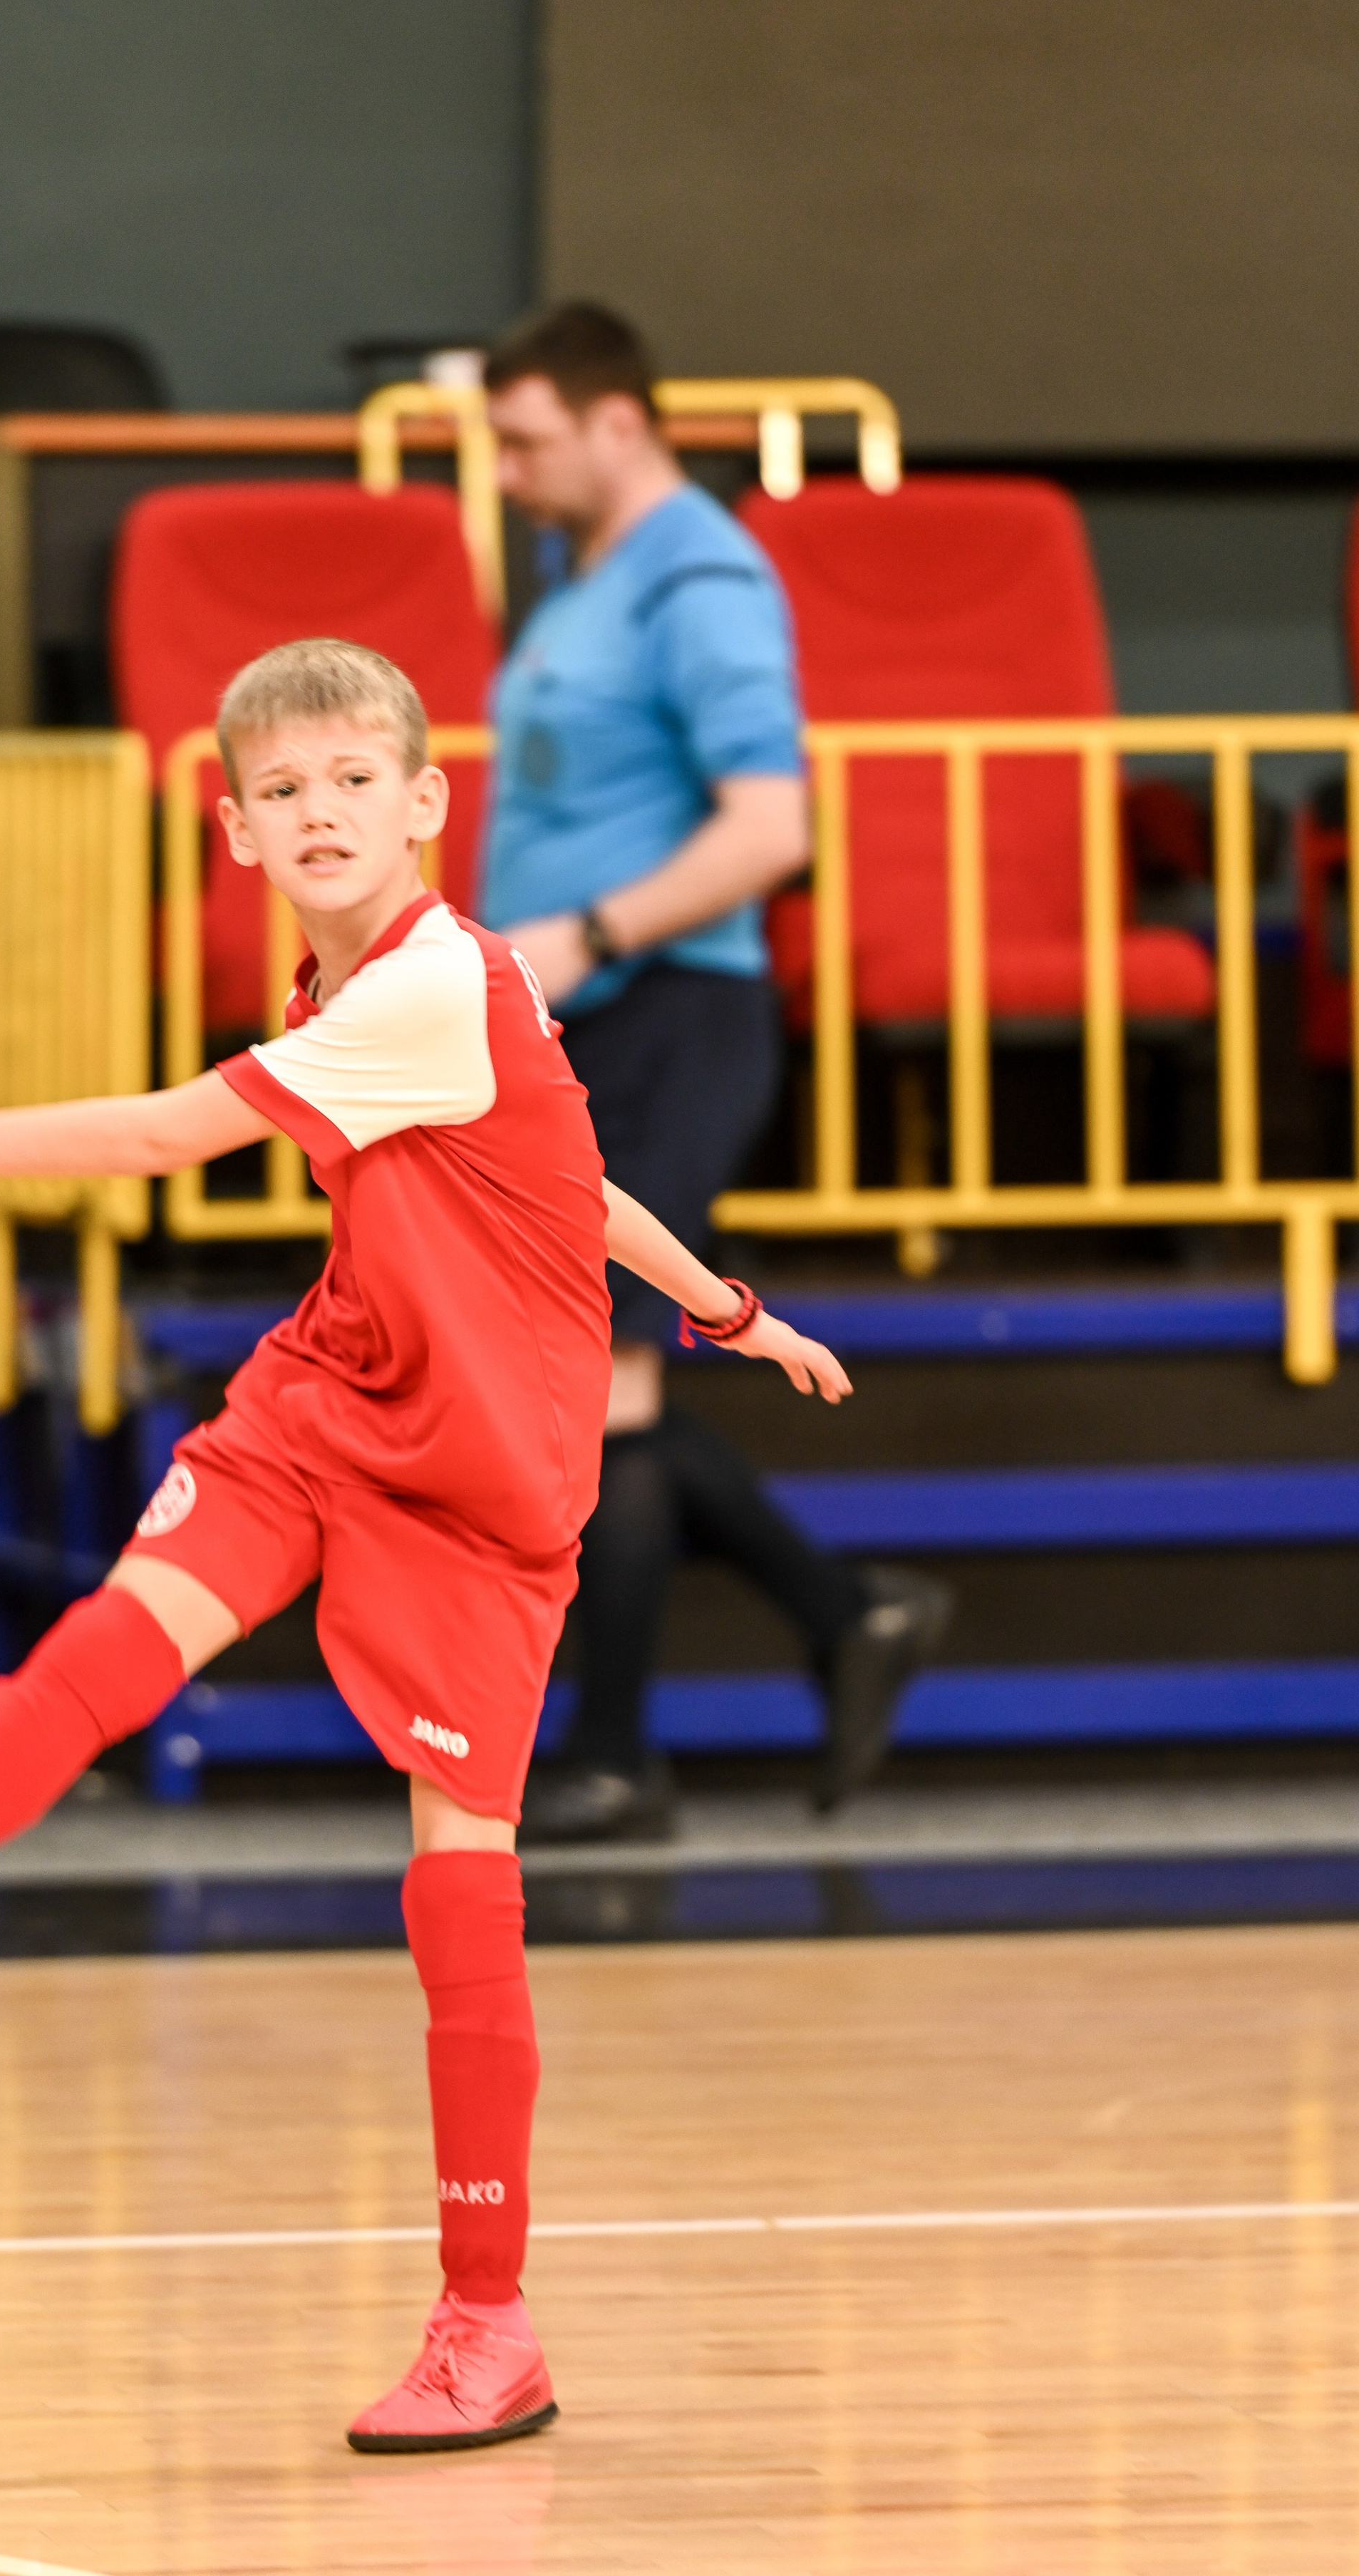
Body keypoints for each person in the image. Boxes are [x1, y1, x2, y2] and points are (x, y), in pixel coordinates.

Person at [0, 638, 852, 2458]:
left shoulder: (431, 984)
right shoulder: (370, 984)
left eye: (354, 780)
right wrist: (719, 1303)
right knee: (101, 1654)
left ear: (427, 806)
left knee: (455, 1880)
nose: (319, 810)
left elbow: (180, 1132)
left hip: (483, 1485)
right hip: (329, 1396)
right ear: (236, 829)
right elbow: (574, 1176)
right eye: (282, 791)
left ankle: (485, 2324)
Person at [479, 302, 951, 1843]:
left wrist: (583, 931)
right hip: (596, 1023)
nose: (505, 468)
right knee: (582, 1386)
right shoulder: (581, 574)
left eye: (526, 437)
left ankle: (618, 1759)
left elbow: (771, 829)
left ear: (620, 422)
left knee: (602, 1390)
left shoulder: (698, 576)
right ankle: (845, 1616)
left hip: (675, 1010)